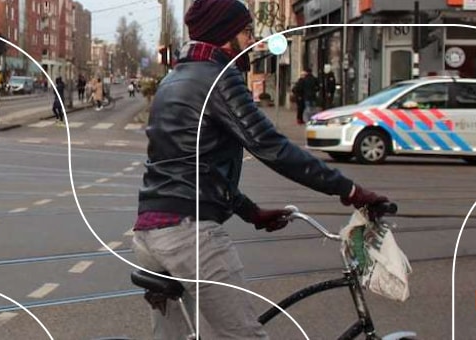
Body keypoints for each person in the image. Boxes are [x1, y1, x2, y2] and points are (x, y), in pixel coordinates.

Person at [132, 1, 389, 339]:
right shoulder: (219, 79)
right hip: (189, 236)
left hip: (149, 234)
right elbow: (272, 147)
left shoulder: (173, 80)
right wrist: (350, 190)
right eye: (246, 31)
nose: (252, 39)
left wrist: (251, 212)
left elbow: (192, 167)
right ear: (226, 35)